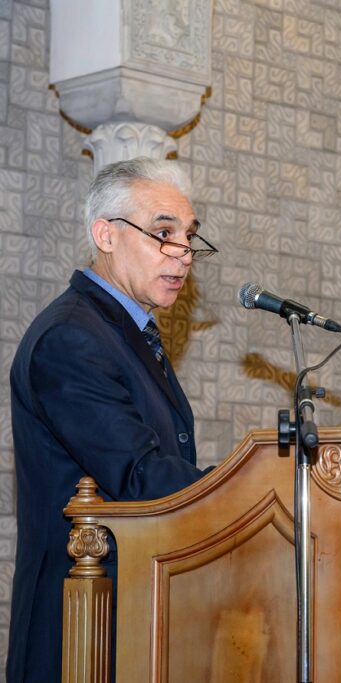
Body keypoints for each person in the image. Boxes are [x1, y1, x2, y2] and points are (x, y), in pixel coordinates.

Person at [7, 158, 217, 682]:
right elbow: (141, 479)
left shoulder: (124, 330)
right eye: (163, 233)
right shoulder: (72, 338)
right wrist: (262, 489)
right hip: (81, 624)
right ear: (105, 234)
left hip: (133, 612)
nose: (184, 252)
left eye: (189, 237)